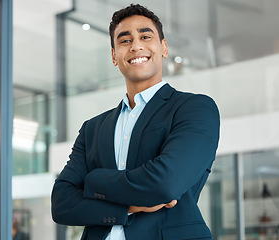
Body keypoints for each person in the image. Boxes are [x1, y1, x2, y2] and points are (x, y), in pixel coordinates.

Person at [51, 4, 220, 240]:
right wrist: (127, 207)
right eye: (124, 40)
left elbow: (165, 184)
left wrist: (93, 180)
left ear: (163, 47)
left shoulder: (194, 108)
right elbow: (62, 203)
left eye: (145, 36)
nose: (136, 46)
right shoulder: (93, 129)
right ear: (113, 56)